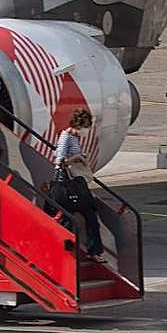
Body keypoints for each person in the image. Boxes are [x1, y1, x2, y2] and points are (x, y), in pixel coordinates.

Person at [51, 107, 105, 259]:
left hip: (76, 181)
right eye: (86, 125)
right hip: (66, 181)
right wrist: (77, 158)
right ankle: (68, 252)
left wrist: (80, 156)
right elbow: (59, 161)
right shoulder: (66, 136)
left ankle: (94, 250)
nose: (87, 129)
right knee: (70, 217)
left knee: (90, 216)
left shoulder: (73, 137)